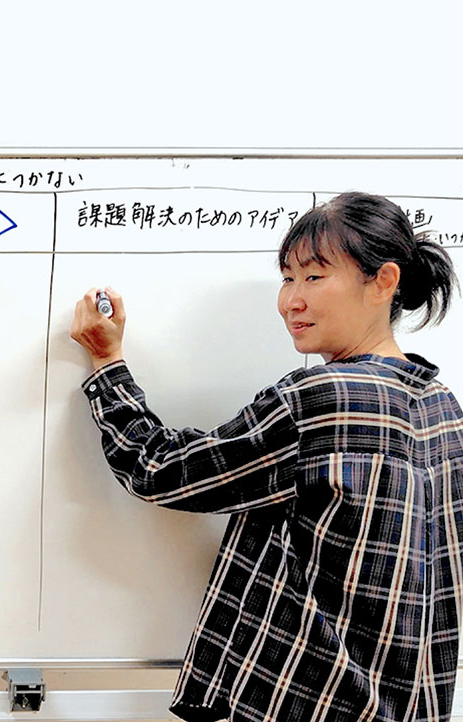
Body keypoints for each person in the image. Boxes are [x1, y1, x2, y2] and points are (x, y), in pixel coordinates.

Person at [70, 192, 463, 722]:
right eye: (287, 278)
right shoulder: (444, 406)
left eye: (314, 277)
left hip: (312, 703)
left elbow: (159, 469)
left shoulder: (319, 400)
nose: (291, 300)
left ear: (383, 282)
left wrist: (106, 362)